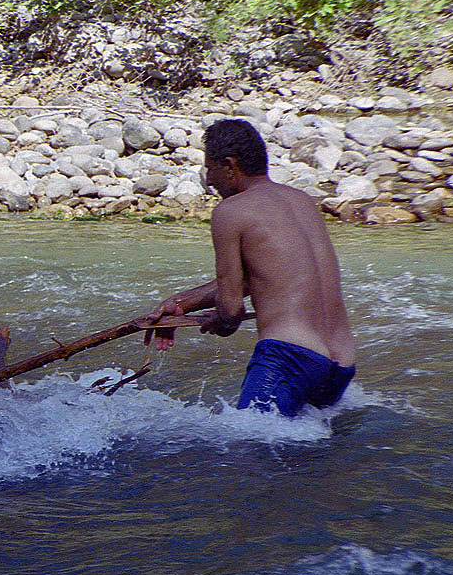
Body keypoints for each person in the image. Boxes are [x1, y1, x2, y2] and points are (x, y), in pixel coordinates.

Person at [142, 118, 355, 416]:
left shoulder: (231, 210)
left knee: (248, 456)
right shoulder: (302, 201)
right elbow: (271, 275)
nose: (210, 179)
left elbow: (231, 311)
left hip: (290, 357)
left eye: (211, 168)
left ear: (230, 166)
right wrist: (181, 303)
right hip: (341, 362)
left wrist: (221, 321)